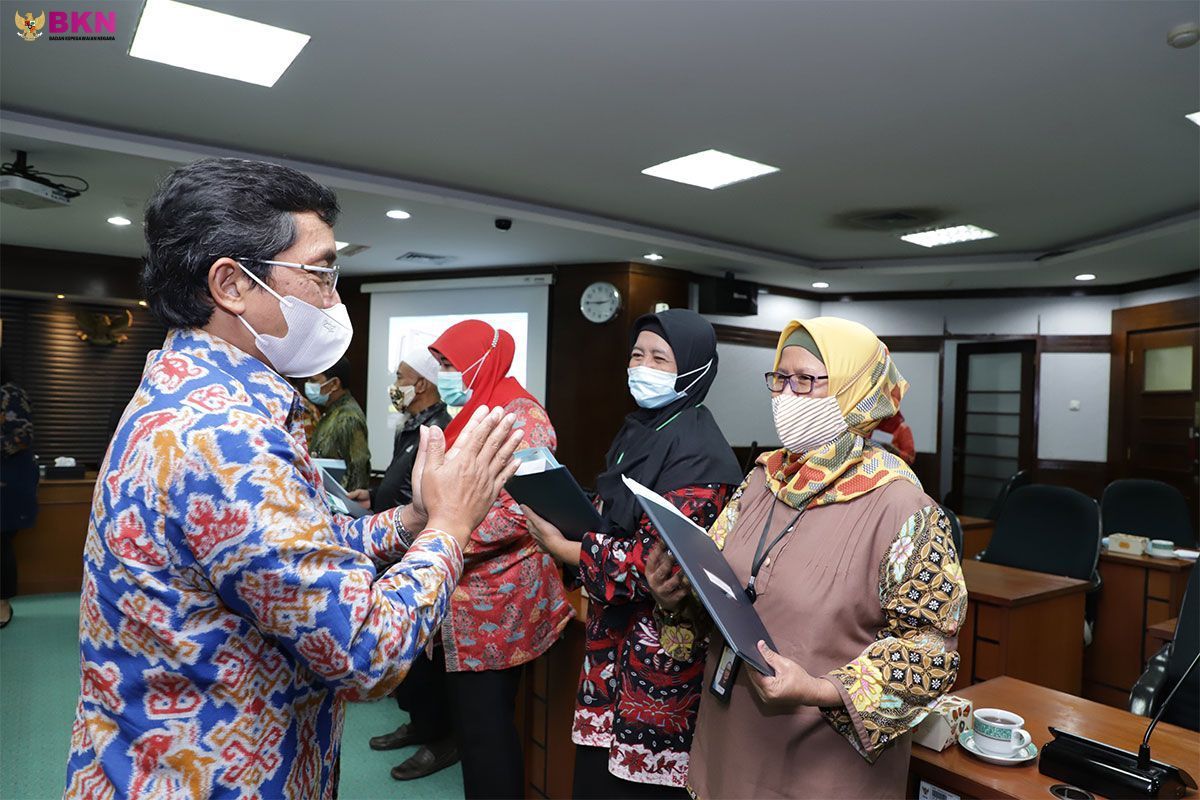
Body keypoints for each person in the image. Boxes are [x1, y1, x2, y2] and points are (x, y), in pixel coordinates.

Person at [63, 157, 524, 799]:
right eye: (321, 273)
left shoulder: (190, 393)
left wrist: (412, 520)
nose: (335, 299)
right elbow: (365, 653)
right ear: (231, 284)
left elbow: (300, 549)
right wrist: (449, 527)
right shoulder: (224, 437)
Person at [647, 317, 967, 799]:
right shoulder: (761, 481)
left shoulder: (903, 508)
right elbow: (717, 592)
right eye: (780, 378)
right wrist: (674, 598)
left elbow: (930, 654)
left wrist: (820, 690)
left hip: (824, 769)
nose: (786, 395)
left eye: (805, 381)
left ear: (855, 391)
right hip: (728, 745)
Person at [524, 309, 742, 798]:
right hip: (611, 649)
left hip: (660, 663)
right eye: (637, 355)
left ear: (694, 369)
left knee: (637, 785)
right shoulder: (642, 429)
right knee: (594, 780)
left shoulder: (701, 454)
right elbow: (613, 513)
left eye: (660, 358)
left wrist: (568, 548)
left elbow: (660, 563)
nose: (642, 367)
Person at [429, 319, 574, 800]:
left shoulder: (523, 417)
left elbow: (518, 511)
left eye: (450, 363)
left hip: (498, 606)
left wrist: (443, 539)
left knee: (487, 733)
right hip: (461, 601)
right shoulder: (474, 410)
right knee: (474, 731)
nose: (443, 374)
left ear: (480, 361)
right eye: (440, 363)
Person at [367, 332, 458, 781]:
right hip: (397, 546)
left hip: (419, 553)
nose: (395, 385)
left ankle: (440, 739)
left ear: (421, 383)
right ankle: (420, 723)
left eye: (400, 377)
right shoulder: (411, 423)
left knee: (427, 661)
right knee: (412, 664)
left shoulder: (440, 428)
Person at [0, 364, 39, 629]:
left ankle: (2, 604)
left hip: (9, 482)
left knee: (1, 542)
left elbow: (23, 436)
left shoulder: (11, 393)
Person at [305, 356, 371, 490]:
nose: (308, 384)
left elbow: (357, 472)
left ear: (334, 384)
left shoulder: (347, 417)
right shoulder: (332, 412)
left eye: (313, 381)